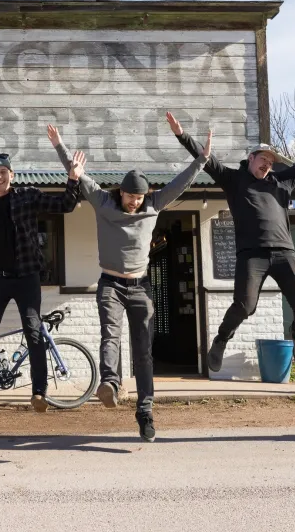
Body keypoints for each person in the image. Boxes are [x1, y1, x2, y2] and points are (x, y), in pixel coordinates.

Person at [48, 122, 211, 442]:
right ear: (120, 192)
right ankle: (109, 383)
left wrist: (201, 160)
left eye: (138, 197)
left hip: (140, 288)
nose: (134, 201)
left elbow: (179, 185)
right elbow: (77, 172)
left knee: (143, 350)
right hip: (109, 283)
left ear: (144, 195)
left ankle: (145, 412)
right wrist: (59, 146)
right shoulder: (103, 202)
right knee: (110, 333)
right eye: (129, 196)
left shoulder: (154, 204)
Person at [168, 110, 295, 372]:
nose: (267, 163)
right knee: (245, 306)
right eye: (263, 159)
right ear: (251, 158)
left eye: (271, 161)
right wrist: (181, 135)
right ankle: (221, 340)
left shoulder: (282, 182)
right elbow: (207, 160)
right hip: (252, 256)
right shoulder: (234, 180)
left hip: (284, 253)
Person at [0, 150, 83, 413]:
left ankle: (39, 393)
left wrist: (73, 178)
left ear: (11, 175)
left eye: (3, 172)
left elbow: (65, 205)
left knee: (33, 331)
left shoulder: (27, 196)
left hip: (26, 276)